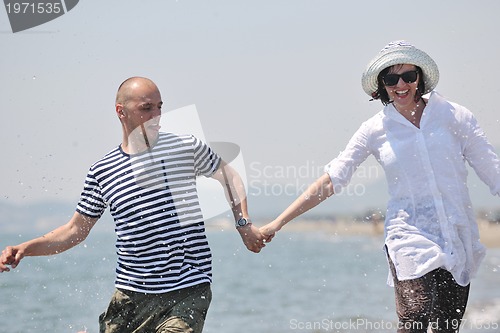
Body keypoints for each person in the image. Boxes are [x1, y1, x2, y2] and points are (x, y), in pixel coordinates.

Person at [260, 41, 500, 333]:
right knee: (415, 316)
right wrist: (278, 222)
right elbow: (332, 179)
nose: (401, 85)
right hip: (407, 235)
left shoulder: (454, 116)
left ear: (419, 79)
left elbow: (491, 169)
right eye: (391, 78)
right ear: (381, 85)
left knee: (446, 327)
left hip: (457, 235)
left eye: (408, 76)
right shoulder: (374, 129)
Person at [0, 76, 265, 333]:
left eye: (159, 107)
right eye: (146, 108)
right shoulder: (102, 171)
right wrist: (25, 248)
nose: (156, 115)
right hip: (130, 296)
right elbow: (74, 232)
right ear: (121, 112)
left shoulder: (185, 147)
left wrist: (243, 223)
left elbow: (228, 175)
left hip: (188, 288)